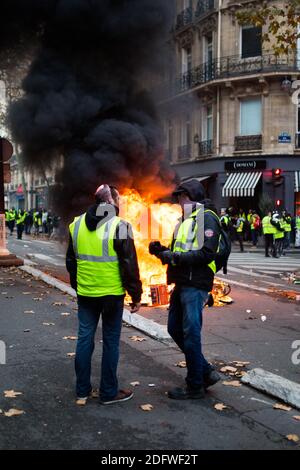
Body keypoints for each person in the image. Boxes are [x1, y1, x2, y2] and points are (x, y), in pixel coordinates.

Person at [66, 184, 142, 406]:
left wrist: (78, 285)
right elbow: (129, 265)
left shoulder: (76, 224)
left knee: (84, 339)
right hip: (112, 295)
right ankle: (109, 392)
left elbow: (71, 260)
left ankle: (82, 391)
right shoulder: (121, 226)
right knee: (110, 342)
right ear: (112, 202)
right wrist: (135, 295)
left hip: (87, 293)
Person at [149, 179, 221, 400]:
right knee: (174, 328)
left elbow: (206, 253)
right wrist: (162, 251)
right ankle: (205, 371)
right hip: (182, 283)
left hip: (196, 284)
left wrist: (175, 257)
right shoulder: (185, 221)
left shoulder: (206, 218)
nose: (178, 201)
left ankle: (195, 386)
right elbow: (178, 251)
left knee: (191, 333)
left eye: (181, 197)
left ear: (189, 196)